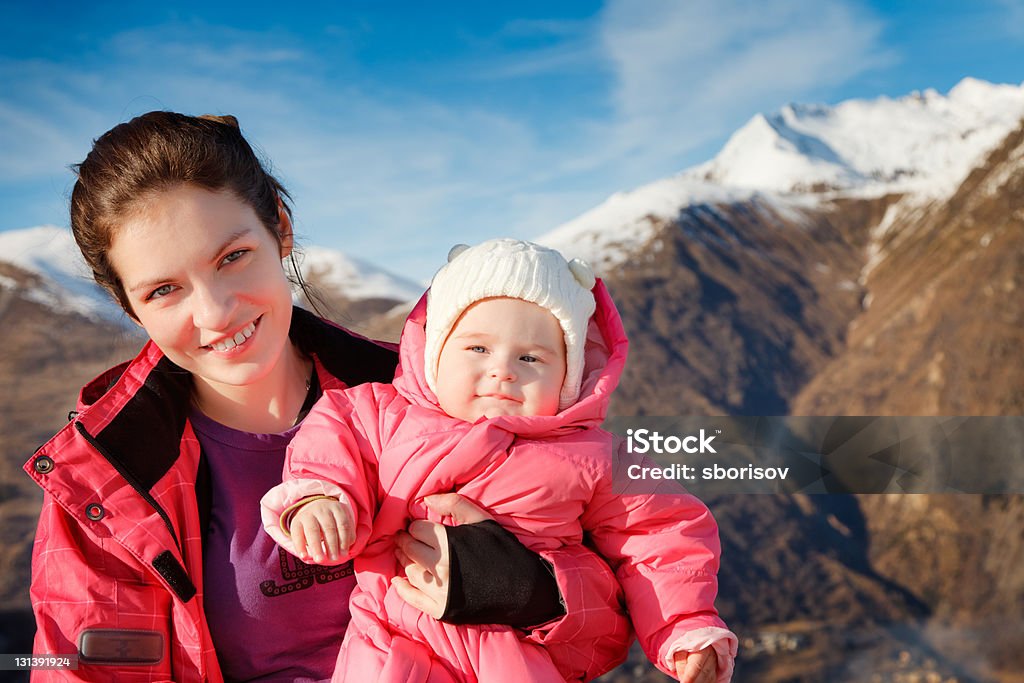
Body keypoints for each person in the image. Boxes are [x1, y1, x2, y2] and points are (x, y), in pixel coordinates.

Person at [23, 112, 630, 682]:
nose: (214, 311)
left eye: (233, 257)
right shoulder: (109, 481)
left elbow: (619, 627)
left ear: (280, 228)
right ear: (129, 305)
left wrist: (537, 594)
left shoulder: (429, 403)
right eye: (163, 290)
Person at [262, 239, 738, 683]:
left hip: (518, 656)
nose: (502, 369)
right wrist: (319, 500)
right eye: (477, 348)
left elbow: (660, 537)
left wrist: (685, 627)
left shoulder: (594, 455)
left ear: (570, 378)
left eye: (531, 358)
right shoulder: (380, 415)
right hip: (392, 644)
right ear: (434, 352)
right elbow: (330, 447)